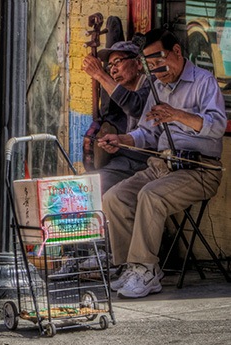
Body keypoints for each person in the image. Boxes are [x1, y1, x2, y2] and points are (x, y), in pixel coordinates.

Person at [98, 28, 226, 299]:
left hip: (199, 169)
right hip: (162, 165)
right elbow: (147, 132)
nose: (156, 71)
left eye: (159, 62)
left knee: (151, 196)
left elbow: (217, 126)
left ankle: (146, 269)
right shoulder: (158, 87)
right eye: (150, 66)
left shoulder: (204, 81)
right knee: (114, 197)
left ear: (177, 52)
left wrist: (178, 115)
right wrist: (121, 139)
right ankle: (129, 267)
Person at [82, 41, 152, 194]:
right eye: (110, 66)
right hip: (124, 161)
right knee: (83, 184)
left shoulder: (152, 86)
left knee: (92, 188)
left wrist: (100, 75)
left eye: (118, 62)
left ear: (139, 63)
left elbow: (135, 106)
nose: (113, 70)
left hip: (146, 164)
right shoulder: (125, 92)